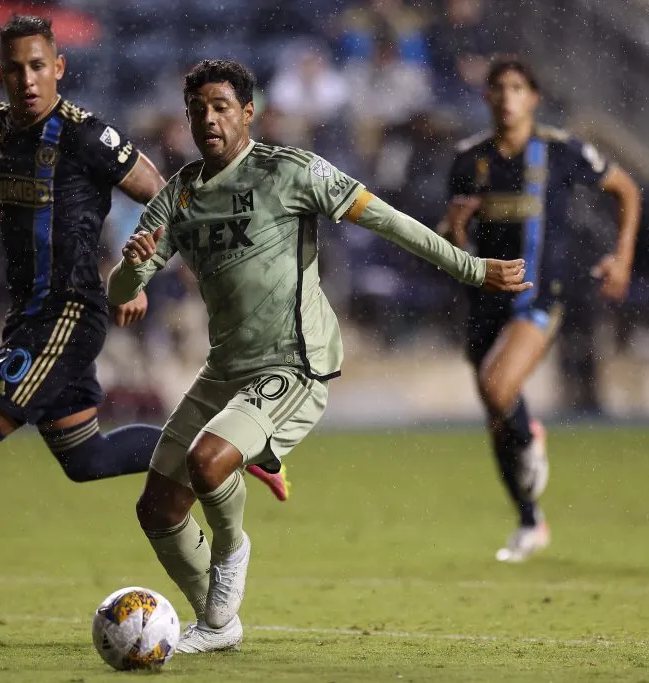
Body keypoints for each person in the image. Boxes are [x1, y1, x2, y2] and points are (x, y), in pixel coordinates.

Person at [0, 17, 285, 637]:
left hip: (68, 314)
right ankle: (225, 446)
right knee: (86, 457)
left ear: (58, 68)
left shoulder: (88, 135)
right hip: (29, 315)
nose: (28, 79)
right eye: (15, 69)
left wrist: (137, 274)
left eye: (39, 66)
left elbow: (163, 195)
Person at [107, 59, 530, 653]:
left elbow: (387, 221)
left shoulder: (291, 171)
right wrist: (132, 270)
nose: (209, 119)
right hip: (224, 368)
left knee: (208, 464)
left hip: (293, 363)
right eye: (197, 109)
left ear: (248, 113)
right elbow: (121, 292)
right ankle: (217, 624)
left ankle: (231, 555)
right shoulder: (178, 195)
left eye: (221, 107)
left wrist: (471, 267)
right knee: (157, 509)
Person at [439, 57, 641, 563]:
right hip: (484, 299)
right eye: (498, 87)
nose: (507, 97)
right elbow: (449, 243)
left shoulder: (560, 150)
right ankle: (530, 521)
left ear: (533, 98)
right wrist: (456, 229)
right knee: (496, 414)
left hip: (539, 295)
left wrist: (622, 257)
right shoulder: (468, 159)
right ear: (486, 97)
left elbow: (626, 189)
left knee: (497, 388)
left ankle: (530, 433)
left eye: (517, 88)